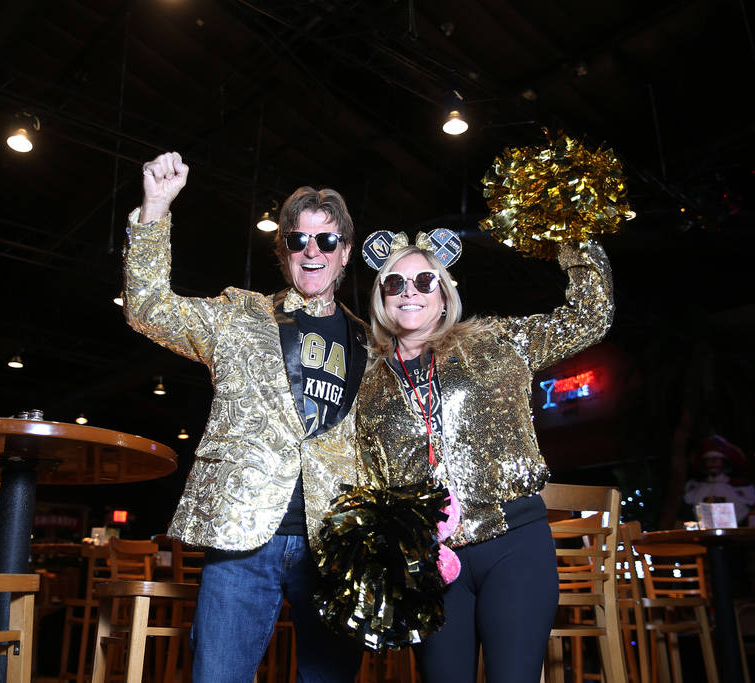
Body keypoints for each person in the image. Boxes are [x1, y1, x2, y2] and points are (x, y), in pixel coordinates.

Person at [122, 151, 367, 682]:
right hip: (241, 536)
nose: (311, 252)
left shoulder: (370, 340)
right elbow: (147, 308)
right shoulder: (238, 315)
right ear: (283, 249)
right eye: (298, 239)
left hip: (334, 542)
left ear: (345, 252)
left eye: (326, 241)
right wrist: (155, 209)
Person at [352, 231, 614, 682]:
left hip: (513, 544)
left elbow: (590, 317)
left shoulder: (494, 342)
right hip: (434, 564)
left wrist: (572, 233)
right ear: (381, 297)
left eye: (424, 281)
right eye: (395, 283)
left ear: (444, 289)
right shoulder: (367, 383)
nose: (410, 292)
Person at [683, 434, 755, 527]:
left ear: (724, 462)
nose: (712, 463)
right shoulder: (694, 488)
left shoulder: (741, 486)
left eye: (715, 459)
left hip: (738, 533)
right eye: (708, 460)